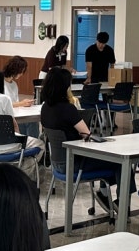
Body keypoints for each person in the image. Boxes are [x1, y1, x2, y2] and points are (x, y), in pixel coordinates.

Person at [41, 67, 121, 210]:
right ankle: (117, 200)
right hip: (75, 164)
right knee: (119, 163)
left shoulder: (45, 108)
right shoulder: (68, 109)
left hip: (56, 163)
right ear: (64, 87)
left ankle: (105, 194)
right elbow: (86, 134)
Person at [0, 67, 43, 159]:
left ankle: (20, 164)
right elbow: (14, 124)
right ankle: (24, 167)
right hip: (9, 145)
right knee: (40, 144)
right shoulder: (4, 99)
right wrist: (19, 139)